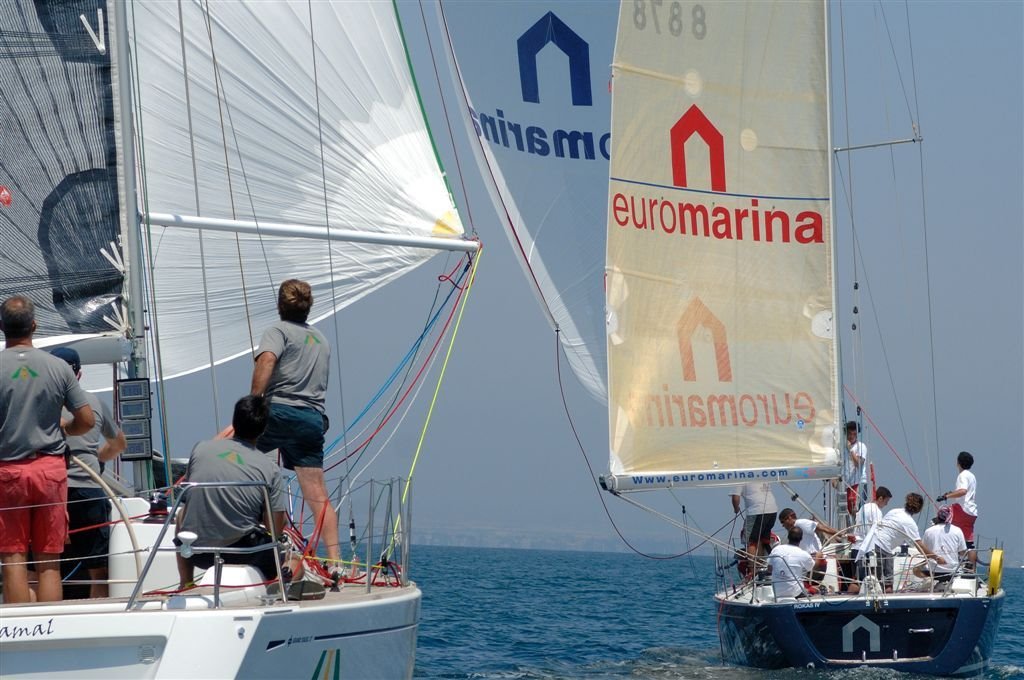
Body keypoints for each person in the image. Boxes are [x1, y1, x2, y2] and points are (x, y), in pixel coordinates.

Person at [0, 296, 95, 603]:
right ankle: (51, 623)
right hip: (50, 472)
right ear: (34, 326)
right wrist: (64, 428)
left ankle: (17, 630)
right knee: (49, 563)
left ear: (2, 328)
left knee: (13, 558)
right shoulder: (58, 368)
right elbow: (87, 421)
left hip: (7, 473)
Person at [249, 279, 340, 572]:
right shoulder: (321, 340)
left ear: (279, 305)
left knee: (240, 461)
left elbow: (266, 362)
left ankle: (262, 537)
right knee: (317, 492)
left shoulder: (277, 332)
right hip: (311, 420)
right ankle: (337, 561)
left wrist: (254, 402)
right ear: (308, 306)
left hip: (278, 412)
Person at [176, 395, 288, 589]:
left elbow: (189, 496)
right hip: (244, 552)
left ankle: (186, 582)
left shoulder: (200, 449)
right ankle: (277, 582)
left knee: (180, 515)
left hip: (197, 553)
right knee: (294, 563)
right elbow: (275, 529)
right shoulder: (270, 469)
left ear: (234, 422)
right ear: (263, 430)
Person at [51, 347, 127, 599]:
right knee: (98, 570)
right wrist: (98, 459)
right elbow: (118, 444)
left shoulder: (37, 404)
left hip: (48, 489)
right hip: (88, 488)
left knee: (38, 568)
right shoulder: (93, 403)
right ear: (79, 375)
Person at [870, 492, 945, 592]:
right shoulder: (910, 523)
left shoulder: (894, 511)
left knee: (868, 580)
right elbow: (919, 546)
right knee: (887, 584)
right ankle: (887, 605)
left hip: (870, 544)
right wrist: (936, 557)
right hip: (883, 549)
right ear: (919, 509)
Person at [778, 507, 839, 589]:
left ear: (789, 518)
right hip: (808, 562)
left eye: (783, 522)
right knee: (804, 586)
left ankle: (819, 590)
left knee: (800, 586)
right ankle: (818, 590)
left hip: (815, 560)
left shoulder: (800, 523)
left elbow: (823, 528)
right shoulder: (794, 530)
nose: (783, 525)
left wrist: (842, 534)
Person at [847, 486, 892, 594]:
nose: (886, 504)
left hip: (856, 547)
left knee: (858, 578)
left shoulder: (863, 507)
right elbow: (878, 530)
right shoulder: (877, 511)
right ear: (880, 498)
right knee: (869, 578)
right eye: (886, 501)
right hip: (867, 548)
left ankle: (850, 598)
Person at [937, 451, 977, 566]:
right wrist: (952, 493)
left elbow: (963, 491)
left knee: (941, 518)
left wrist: (946, 496)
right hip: (972, 512)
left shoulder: (962, 475)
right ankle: (971, 569)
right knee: (970, 543)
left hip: (962, 509)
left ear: (958, 463)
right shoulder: (972, 476)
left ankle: (945, 559)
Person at [730, 482, 779, 576]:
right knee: (761, 539)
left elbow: (735, 498)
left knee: (750, 541)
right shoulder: (758, 474)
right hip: (773, 510)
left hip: (756, 511)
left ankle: (753, 572)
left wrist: (736, 509)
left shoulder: (739, 477)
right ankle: (760, 568)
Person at [913, 506, 967, 583]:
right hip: (952, 572)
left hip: (933, 572)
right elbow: (962, 553)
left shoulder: (928, 531)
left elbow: (923, 551)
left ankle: (929, 580)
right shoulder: (957, 530)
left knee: (915, 569)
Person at [767, 526, 815, 599]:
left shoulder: (776, 549)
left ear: (788, 537)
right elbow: (810, 568)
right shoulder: (803, 554)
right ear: (801, 539)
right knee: (812, 590)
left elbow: (769, 569)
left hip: (777, 592)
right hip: (795, 593)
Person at [842, 420, 867, 517]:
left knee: (855, 510)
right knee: (846, 512)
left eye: (854, 434)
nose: (851, 436)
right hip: (845, 484)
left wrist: (851, 450)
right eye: (849, 434)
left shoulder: (861, 446)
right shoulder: (842, 447)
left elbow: (859, 464)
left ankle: (858, 531)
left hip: (858, 483)